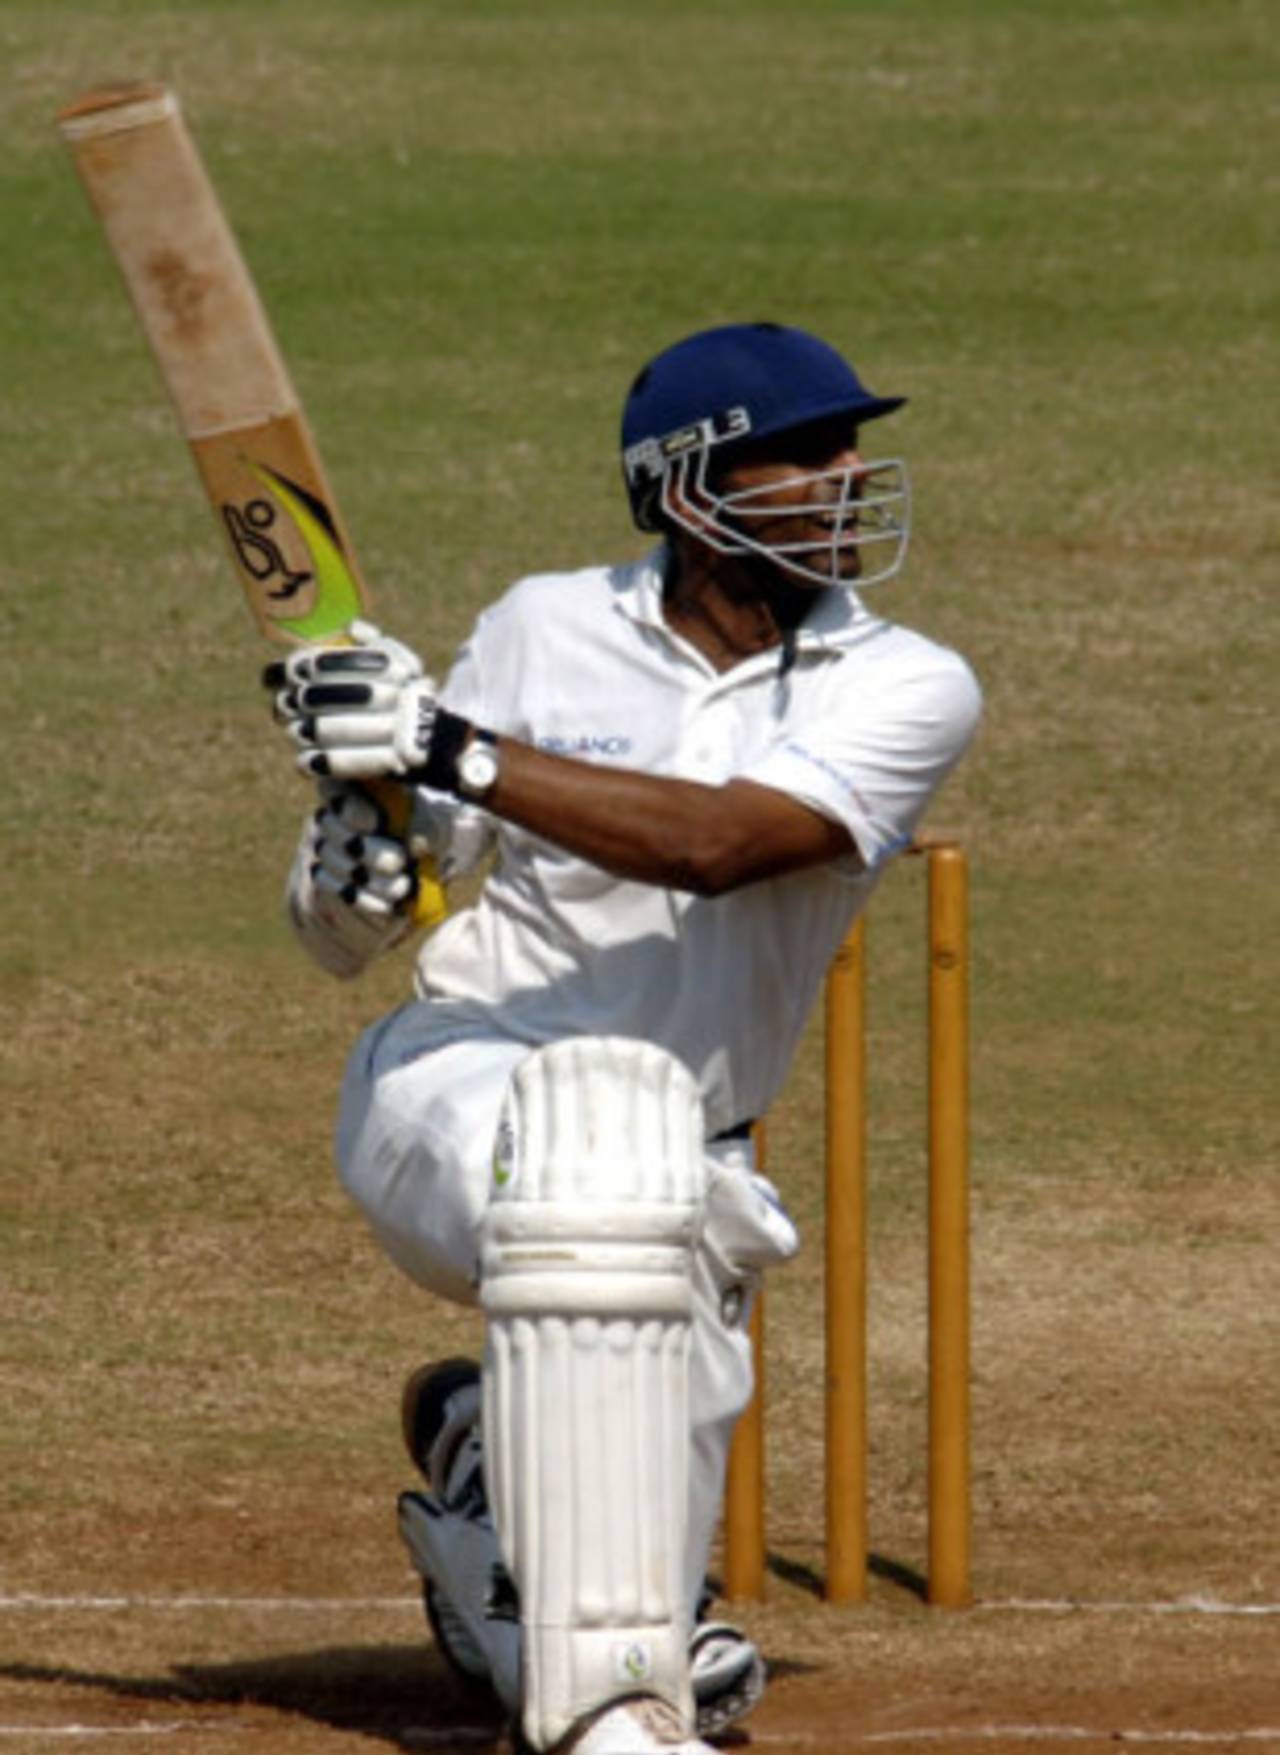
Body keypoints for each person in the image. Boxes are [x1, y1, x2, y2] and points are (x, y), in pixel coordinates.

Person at [266, 322, 982, 1755]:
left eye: (852, 449)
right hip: (456, 1086)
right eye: (810, 453)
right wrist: (347, 862)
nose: (851, 477)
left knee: (630, 1622)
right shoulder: (544, 624)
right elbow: (389, 897)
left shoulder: (904, 683)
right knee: (598, 1177)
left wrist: (442, 745)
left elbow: (719, 846)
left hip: (683, 1177)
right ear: (691, 484)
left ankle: (493, 1513)